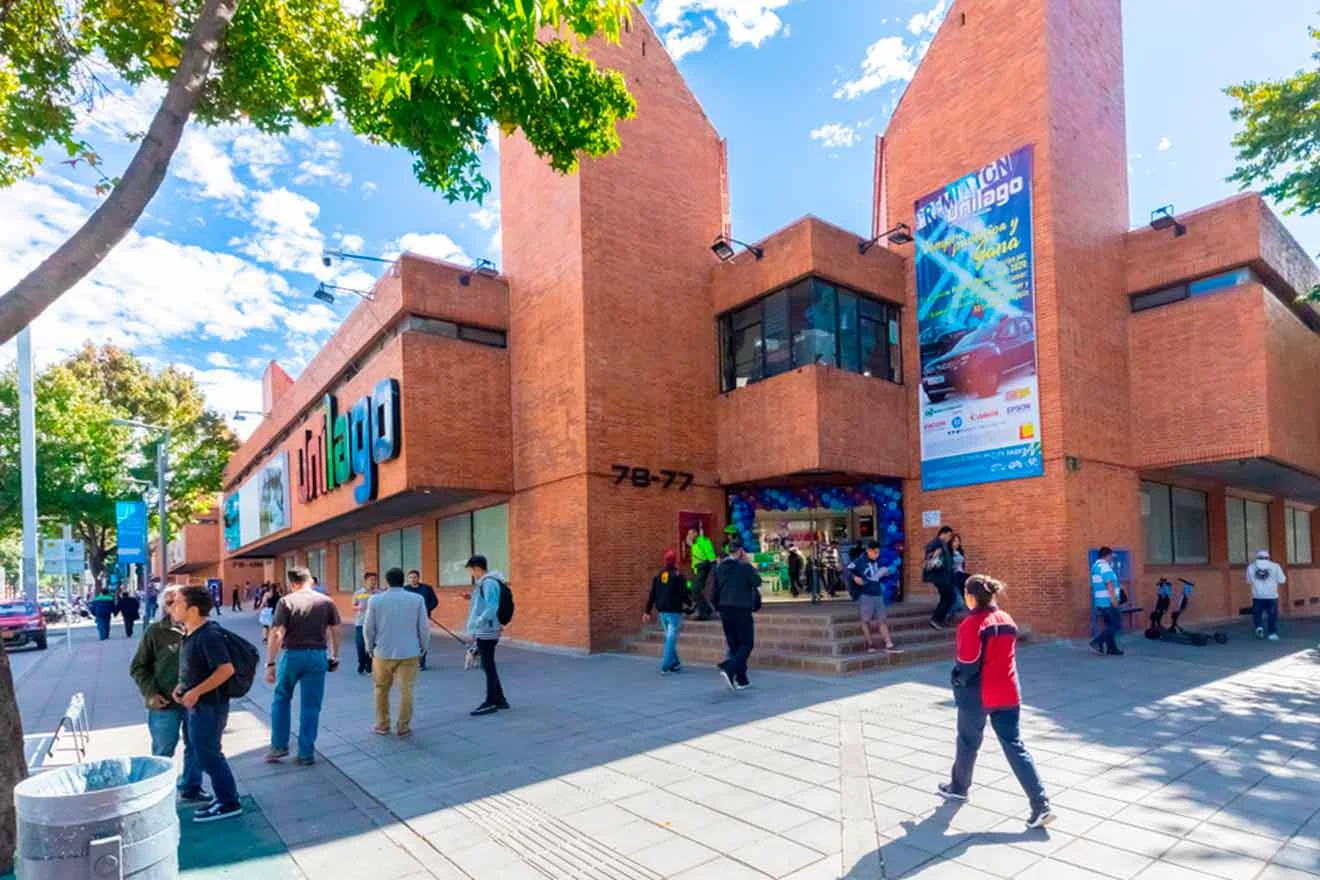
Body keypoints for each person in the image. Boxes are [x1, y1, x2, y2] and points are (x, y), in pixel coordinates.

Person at [938, 574, 1054, 830]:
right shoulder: (1006, 619)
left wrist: (956, 679)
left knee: (968, 742)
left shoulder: (972, 624)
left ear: (970, 597)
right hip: (1009, 692)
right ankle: (1040, 804)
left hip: (979, 694)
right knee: (1014, 746)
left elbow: (967, 664)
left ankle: (959, 787)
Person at [170, 585, 243, 823]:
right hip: (198, 705)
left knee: (209, 753)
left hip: (210, 706)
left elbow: (226, 669)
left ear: (192, 609)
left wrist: (196, 692)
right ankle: (223, 797)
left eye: (177, 602)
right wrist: (183, 687)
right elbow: (195, 669)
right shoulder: (191, 633)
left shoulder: (208, 635)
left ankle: (229, 801)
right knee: (203, 752)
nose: (172, 607)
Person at [130, 586, 207, 803]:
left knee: (195, 746)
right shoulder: (155, 632)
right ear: (165, 606)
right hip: (164, 704)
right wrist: (150, 693)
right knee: (163, 750)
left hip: (195, 702)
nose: (176, 606)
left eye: (180, 601)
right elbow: (138, 667)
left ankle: (192, 787)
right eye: (171, 602)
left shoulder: (199, 629)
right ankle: (158, 793)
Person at [264, 567, 341, 765]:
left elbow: (277, 633)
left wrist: (271, 662)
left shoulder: (286, 601)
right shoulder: (326, 601)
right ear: (311, 582)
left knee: (281, 698)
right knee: (311, 705)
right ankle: (306, 753)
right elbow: (335, 631)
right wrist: (334, 655)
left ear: (292, 584)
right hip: (317, 656)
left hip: (292, 655)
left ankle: (279, 747)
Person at [363, 567, 429, 735]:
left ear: (387, 581)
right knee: (406, 689)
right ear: (404, 580)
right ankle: (403, 727)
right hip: (409, 651)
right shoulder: (417, 599)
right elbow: (423, 627)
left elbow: (368, 628)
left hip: (382, 651)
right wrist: (424, 646)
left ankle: (382, 724)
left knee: (380, 689)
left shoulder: (375, 600)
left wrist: (369, 647)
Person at [711, 538, 761, 691]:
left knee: (734, 646)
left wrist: (718, 607)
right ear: (740, 551)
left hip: (725, 610)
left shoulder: (719, 568)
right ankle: (729, 668)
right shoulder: (744, 566)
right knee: (747, 644)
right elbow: (757, 581)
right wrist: (748, 564)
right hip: (741, 609)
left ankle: (742, 679)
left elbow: (714, 593)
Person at [464, 555, 509, 716]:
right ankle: (500, 699)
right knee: (487, 665)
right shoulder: (486, 583)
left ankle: (491, 701)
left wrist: (478, 622)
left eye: (471, 570)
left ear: (477, 568)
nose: (471, 573)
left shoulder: (488, 583)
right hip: (486, 629)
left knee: (488, 666)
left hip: (487, 630)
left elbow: (492, 607)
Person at [847, 541, 903, 654]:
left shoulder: (880, 559)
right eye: (875, 552)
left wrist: (888, 571)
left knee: (882, 619)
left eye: (878, 552)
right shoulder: (859, 561)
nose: (877, 554)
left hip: (877, 593)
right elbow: (847, 571)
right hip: (865, 594)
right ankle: (869, 643)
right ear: (868, 550)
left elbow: (884, 570)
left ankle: (889, 644)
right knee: (866, 620)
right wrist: (854, 577)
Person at [644, 550, 687, 674]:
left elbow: (652, 594)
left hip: (662, 611)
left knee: (669, 637)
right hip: (674, 611)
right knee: (671, 638)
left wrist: (647, 611)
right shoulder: (678, 575)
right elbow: (683, 593)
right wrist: (690, 604)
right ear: (675, 561)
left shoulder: (659, 575)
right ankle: (666, 665)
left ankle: (675, 662)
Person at [1089, 546, 1123, 656]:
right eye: (1111, 556)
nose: (1111, 559)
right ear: (1107, 555)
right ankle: (1097, 642)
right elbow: (1109, 583)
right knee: (1116, 624)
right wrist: (1114, 600)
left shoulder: (1095, 567)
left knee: (1109, 625)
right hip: (1108, 602)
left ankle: (1112, 648)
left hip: (1100, 601)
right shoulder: (1104, 567)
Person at [1248, 549, 1286, 641]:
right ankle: (1272, 633)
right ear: (1268, 557)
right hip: (1272, 596)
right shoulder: (1275, 566)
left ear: (1257, 557)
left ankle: (1259, 627)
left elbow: (1249, 581)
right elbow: (1282, 580)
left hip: (1257, 596)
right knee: (1272, 615)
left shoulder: (1251, 567)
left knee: (1257, 614)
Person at [923, 526, 957, 630]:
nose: (950, 538)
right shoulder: (936, 543)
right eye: (949, 535)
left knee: (947, 598)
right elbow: (928, 556)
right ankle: (935, 619)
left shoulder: (943, 544)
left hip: (945, 577)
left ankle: (939, 619)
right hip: (940, 577)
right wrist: (934, 555)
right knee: (950, 597)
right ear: (944, 533)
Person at [405, 570, 438, 669]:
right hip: (408, 619)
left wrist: (426, 609)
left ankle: (422, 662)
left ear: (418, 578)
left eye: (414, 577)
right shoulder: (404, 589)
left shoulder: (427, 588)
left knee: (422, 639)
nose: (412, 579)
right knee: (410, 640)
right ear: (408, 579)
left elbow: (434, 601)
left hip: (423, 618)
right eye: (410, 577)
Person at [353, 571, 381, 675]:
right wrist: (359, 607)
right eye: (371, 580)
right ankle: (361, 663)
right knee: (360, 645)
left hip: (375, 624)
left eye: (375, 580)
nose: (373, 582)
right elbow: (353, 606)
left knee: (372, 645)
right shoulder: (358, 593)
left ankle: (369, 667)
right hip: (361, 623)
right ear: (366, 581)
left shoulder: (379, 593)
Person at [686, 528, 717, 620]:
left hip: (703, 568)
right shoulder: (694, 543)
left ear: (696, 533)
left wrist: (710, 563)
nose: (689, 536)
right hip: (698, 570)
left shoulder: (703, 541)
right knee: (694, 590)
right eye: (688, 534)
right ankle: (706, 609)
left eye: (690, 533)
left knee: (695, 590)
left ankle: (703, 613)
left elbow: (711, 556)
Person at [950, 533, 969, 617]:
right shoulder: (948, 553)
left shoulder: (959, 552)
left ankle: (950, 616)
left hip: (960, 578)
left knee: (962, 602)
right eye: (954, 541)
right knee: (959, 602)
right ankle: (947, 614)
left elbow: (961, 565)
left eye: (958, 541)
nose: (956, 543)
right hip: (952, 579)